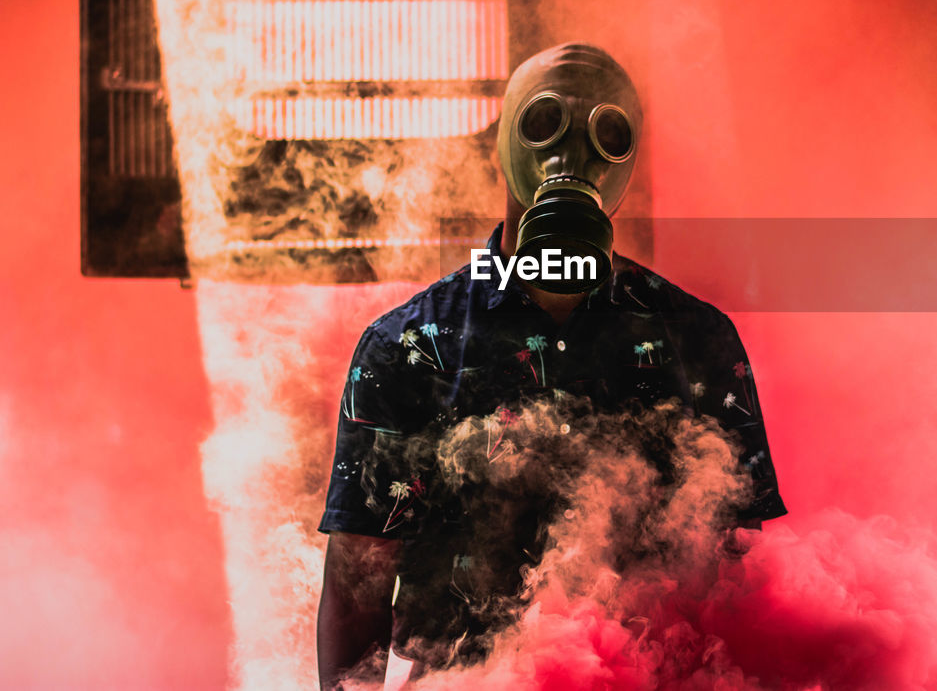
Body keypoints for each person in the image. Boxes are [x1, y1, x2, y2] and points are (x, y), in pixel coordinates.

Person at [316, 43, 786, 688]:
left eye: (607, 134)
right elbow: (358, 578)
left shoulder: (697, 338)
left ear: (631, 165)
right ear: (501, 145)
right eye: (542, 125)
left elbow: (737, 577)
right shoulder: (407, 347)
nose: (572, 158)